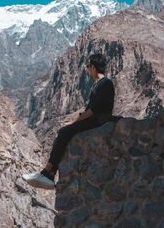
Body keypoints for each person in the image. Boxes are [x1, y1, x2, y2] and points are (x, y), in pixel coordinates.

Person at [22, 53, 115, 189]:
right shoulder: (99, 84)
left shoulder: (105, 84)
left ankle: (47, 171)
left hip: (98, 120)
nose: (88, 69)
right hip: (95, 119)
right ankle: (50, 173)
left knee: (64, 131)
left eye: (89, 66)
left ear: (93, 67)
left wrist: (72, 122)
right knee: (64, 132)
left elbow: (92, 111)